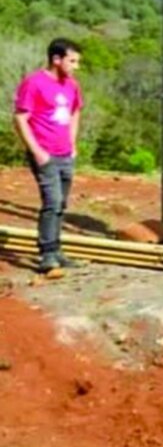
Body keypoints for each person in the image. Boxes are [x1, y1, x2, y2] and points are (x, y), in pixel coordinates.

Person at [13, 38, 84, 274]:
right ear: (56, 59)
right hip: (45, 153)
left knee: (61, 204)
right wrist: (37, 152)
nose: (76, 66)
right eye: (72, 61)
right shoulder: (34, 83)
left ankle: (56, 249)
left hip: (65, 153)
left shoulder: (72, 85)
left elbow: (75, 113)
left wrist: (72, 144)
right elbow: (20, 118)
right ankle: (47, 253)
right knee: (52, 202)